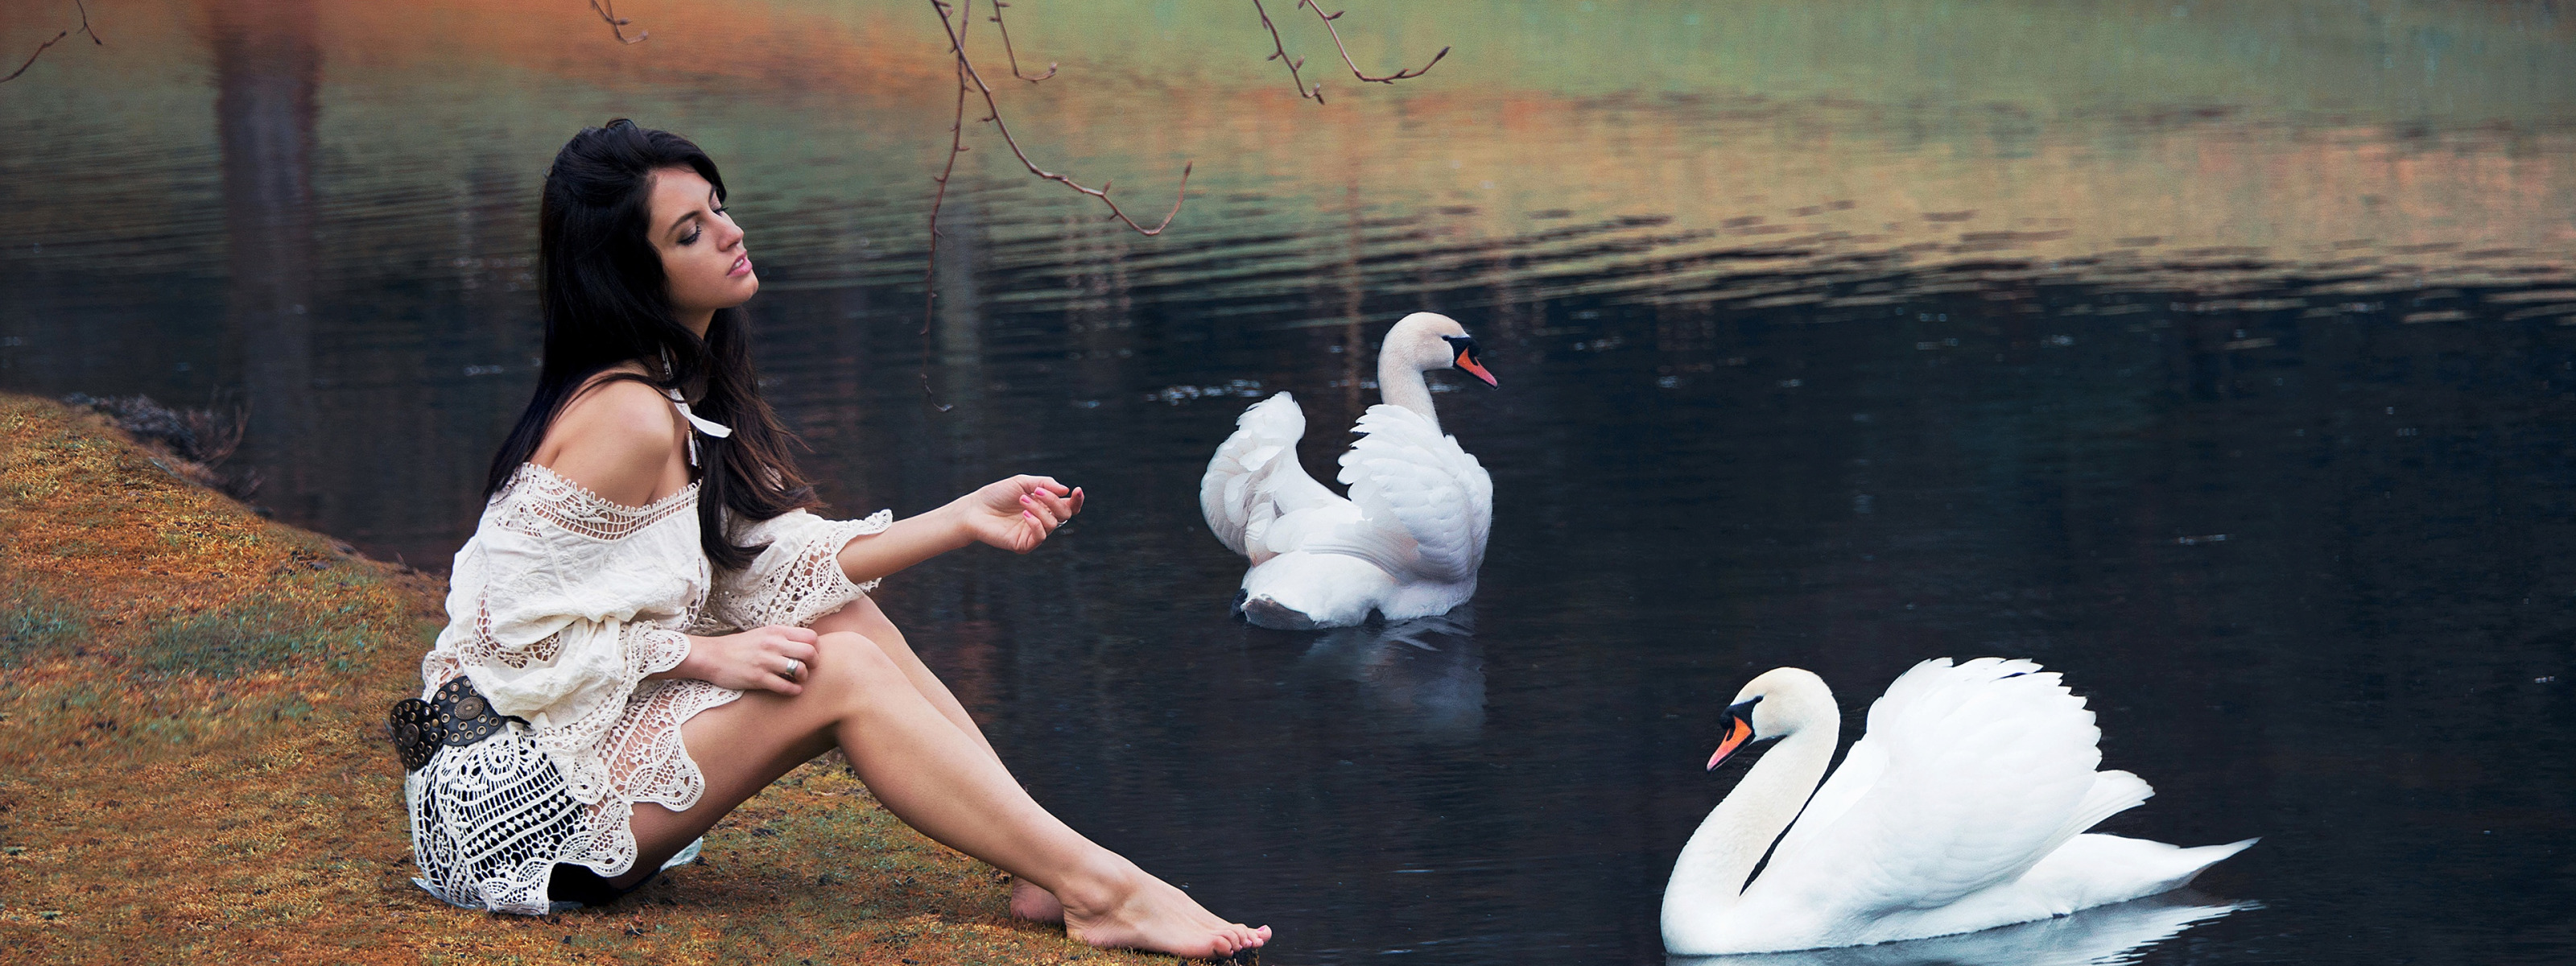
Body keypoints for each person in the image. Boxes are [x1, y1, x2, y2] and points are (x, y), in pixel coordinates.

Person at [397, 119, 1269, 960]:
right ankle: (1103, 892)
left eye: (719, 206)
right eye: (691, 233)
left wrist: (959, 517)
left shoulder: (674, 391)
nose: (731, 234)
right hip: (503, 810)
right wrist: (702, 660)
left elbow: (771, 566)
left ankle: (1040, 867)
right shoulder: (625, 416)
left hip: (561, 748)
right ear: (634, 275)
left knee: (841, 622)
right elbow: (506, 631)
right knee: (837, 669)